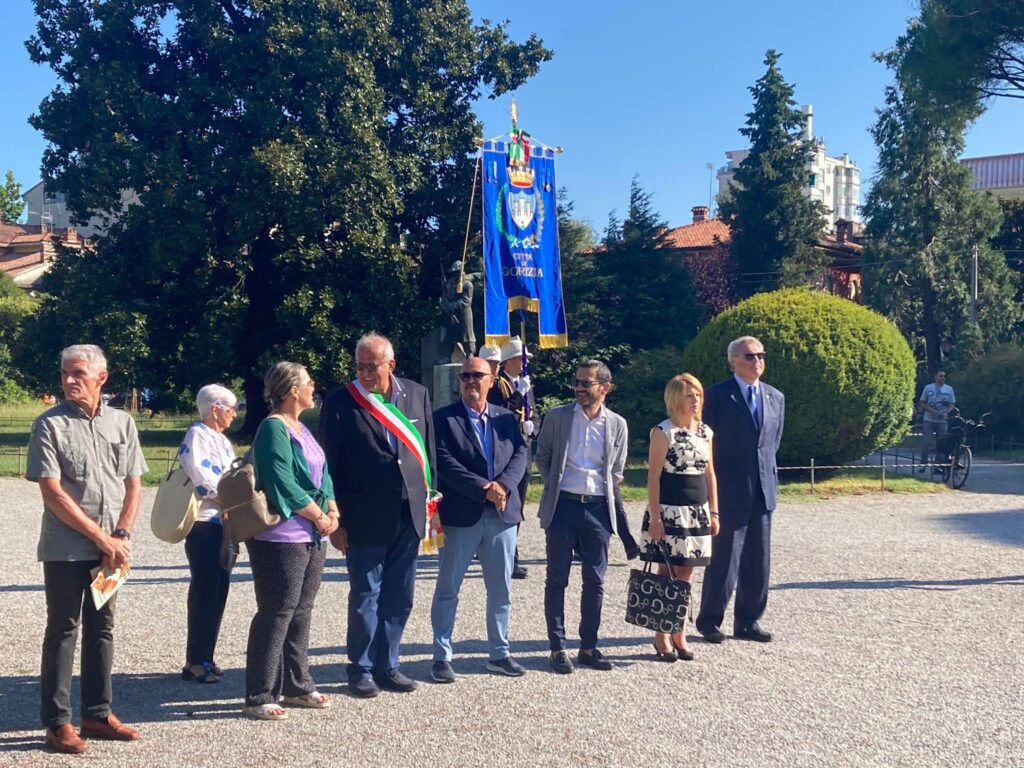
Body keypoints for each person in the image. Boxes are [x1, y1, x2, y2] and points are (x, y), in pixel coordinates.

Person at [26, 344, 147, 754]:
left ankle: (97, 714)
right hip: (66, 549)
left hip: (112, 550)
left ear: (102, 378)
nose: (69, 380)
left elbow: (134, 484)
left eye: (78, 373)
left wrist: (123, 536)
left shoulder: (122, 424)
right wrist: (102, 538)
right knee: (63, 630)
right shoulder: (48, 425)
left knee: (103, 629)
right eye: (65, 373)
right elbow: (53, 494)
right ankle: (57, 723)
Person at [318, 333, 436, 698]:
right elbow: (328, 467)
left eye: (373, 366)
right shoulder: (341, 403)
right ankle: (361, 668)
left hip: (409, 511)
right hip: (364, 516)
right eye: (360, 366)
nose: (366, 373)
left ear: (391, 365)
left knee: (400, 595)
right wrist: (336, 521)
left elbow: (426, 451)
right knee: (366, 594)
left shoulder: (417, 395)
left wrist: (432, 505)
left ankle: (389, 665)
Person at [243, 362, 339, 720]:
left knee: (302, 609)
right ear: (291, 389)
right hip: (280, 536)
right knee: (277, 610)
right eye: (308, 382)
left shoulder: (302, 427)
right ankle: (259, 692)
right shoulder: (273, 428)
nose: (314, 386)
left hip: (312, 532)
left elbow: (324, 474)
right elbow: (281, 481)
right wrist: (319, 515)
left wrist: (333, 510)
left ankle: (297, 684)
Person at [430, 357, 529, 683]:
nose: (471, 381)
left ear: (492, 379)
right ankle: (442, 656)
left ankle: (499, 654)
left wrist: (502, 486)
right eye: (465, 376)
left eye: (478, 375)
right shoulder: (443, 419)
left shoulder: (505, 419)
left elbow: (520, 454)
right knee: (448, 588)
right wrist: (483, 488)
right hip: (461, 516)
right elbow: (442, 461)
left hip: (501, 516)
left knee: (501, 590)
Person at [535, 360, 628, 674]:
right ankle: (557, 647)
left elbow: (616, 471)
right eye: (576, 382)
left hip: (599, 509)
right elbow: (543, 457)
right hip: (563, 506)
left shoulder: (617, 424)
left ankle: (588, 646)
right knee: (557, 578)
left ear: (605, 387)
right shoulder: (558, 417)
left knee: (595, 580)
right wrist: (555, 487)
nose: (578, 388)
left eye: (586, 383)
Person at [696, 336, 785, 644]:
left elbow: (771, 445)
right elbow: (706, 444)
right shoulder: (716, 397)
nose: (757, 360)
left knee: (758, 561)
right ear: (733, 360)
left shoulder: (775, 397)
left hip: (763, 489)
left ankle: (748, 621)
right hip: (730, 490)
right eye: (749, 356)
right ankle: (709, 620)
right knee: (724, 560)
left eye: (761, 355)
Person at [640, 374, 720, 662]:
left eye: (697, 394)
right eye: (689, 395)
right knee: (667, 572)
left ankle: (679, 630)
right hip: (669, 509)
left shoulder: (705, 432)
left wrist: (714, 510)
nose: (695, 399)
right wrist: (656, 517)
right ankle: (661, 633)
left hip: (696, 510)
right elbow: (653, 475)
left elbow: (710, 473)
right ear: (676, 399)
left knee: (686, 573)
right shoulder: (664, 432)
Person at [177, 384, 238, 684]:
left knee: (219, 590)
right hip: (204, 522)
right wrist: (229, 496)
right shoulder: (197, 434)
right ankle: (194, 660)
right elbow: (202, 476)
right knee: (204, 589)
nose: (234, 414)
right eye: (230, 408)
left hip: (226, 523)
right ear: (214, 408)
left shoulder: (223, 441)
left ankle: (208, 654)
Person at [489, 336, 535, 579]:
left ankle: (510, 554)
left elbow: (533, 413)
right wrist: (518, 394)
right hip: (505, 450)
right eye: (521, 359)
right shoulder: (497, 385)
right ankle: (510, 557)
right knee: (507, 504)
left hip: (523, 449)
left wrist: (532, 426)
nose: (524, 364)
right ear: (509, 361)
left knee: (518, 505)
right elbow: (501, 412)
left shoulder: (525, 384)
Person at [918, 370, 957, 473]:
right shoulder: (928, 388)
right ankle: (923, 465)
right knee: (926, 443)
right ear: (935, 377)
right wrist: (930, 409)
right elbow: (921, 402)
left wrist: (947, 412)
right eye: (941, 376)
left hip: (942, 420)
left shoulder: (949, 389)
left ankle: (937, 466)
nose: (943, 378)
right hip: (929, 419)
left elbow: (952, 404)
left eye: (944, 376)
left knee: (942, 444)